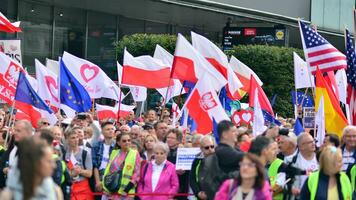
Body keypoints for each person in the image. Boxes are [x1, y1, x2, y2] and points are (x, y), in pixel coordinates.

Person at [102, 133, 141, 199]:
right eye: (124, 141)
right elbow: (108, 171)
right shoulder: (114, 152)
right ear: (118, 142)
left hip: (126, 192)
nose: (127, 142)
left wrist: (126, 189)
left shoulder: (135, 153)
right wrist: (106, 187)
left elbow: (137, 173)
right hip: (112, 190)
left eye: (129, 140)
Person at [0, 120, 33, 188]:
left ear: (28, 133)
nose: (14, 133)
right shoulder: (14, 149)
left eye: (18, 131)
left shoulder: (33, 151)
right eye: (15, 130)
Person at [65, 127, 94, 200]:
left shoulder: (85, 153)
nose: (76, 140)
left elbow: (90, 173)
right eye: (73, 138)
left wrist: (80, 171)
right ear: (67, 140)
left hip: (83, 188)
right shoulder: (64, 154)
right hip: (70, 187)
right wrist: (72, 174)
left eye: (77, 137)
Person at [91, 121, 116, 195]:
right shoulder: (96, 145)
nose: (111, 131)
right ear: (102, 132)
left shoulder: (118, 146)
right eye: (108, 129)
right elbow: (95, 165)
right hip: (99, 175)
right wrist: (98, 181)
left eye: (112, 129)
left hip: (112, 178)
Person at [292, 132, 319, 198]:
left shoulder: (321, 158)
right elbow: (286, 182)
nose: (313, 144)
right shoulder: (293, 161)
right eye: (310, 142)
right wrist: (292, 189)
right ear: (301, 146)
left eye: (313, 141)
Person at [166, 129, 189, 200]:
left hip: (181, 185)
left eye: (172, 138)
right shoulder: (163, 151)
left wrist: (184, 171)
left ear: (178, 140)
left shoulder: (184, 152)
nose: (169, 140)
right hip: (166, 186)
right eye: (168, 137)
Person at [190, 135, 215, 200]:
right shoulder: (197, 160)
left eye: (212, 146)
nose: (210, 149)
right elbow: (192, 179)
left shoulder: (220, 158)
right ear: (201, 148)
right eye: (207, 147)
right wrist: (198, 192)